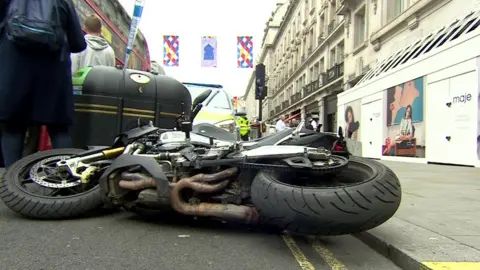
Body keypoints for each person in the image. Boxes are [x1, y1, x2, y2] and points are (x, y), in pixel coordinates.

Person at [0, 0, 87, 167]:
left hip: (14, 75)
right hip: (53, 78)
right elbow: (78, 43)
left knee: (12, 130)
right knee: (59, 130)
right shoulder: (63, 2)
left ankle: (8, 186)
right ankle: (65, 181)